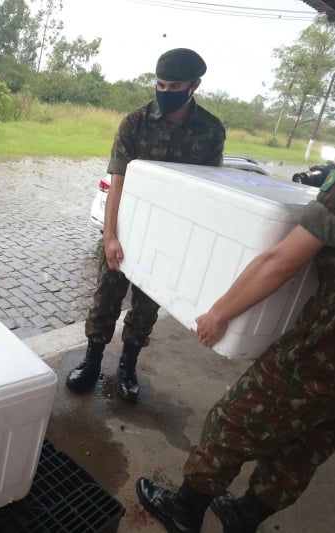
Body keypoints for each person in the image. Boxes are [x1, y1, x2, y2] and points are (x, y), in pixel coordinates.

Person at [136, 29, 335, 533]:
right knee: (311, 444)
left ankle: (184, 509)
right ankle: (246, 515)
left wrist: (219, 312)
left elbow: (282, 260)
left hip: (334, 346)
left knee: (233, 422)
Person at [66, 48, 225, 403]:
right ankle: (92, 360)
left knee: (147, 305)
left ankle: (127, 366)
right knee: (106, 297)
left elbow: (208, 190)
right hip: (127, 228)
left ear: (194, 85)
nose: (165, 91)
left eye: (175, 85)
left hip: (168, 238)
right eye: (160, 84)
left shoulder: (211, 130)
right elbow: (117, 182)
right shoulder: (135, 123)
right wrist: (110, 237)